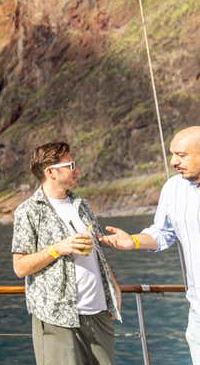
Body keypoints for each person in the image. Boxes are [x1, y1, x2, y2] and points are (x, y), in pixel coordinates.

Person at [11, 141, 121, 365]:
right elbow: (20, 267)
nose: (77, 170)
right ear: (50, 172)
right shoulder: (28, 211)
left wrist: (114, 287)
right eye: (71, 165)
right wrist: (57, 249)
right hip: (57, 317)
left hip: (99, 313)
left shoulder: (82, 204)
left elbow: (97, 253)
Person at [99, 126, 200, 363]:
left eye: (182, 155)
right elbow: (163, 233)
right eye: (172, 154)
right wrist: (132, 241)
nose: (174, 162)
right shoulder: (174, 188)